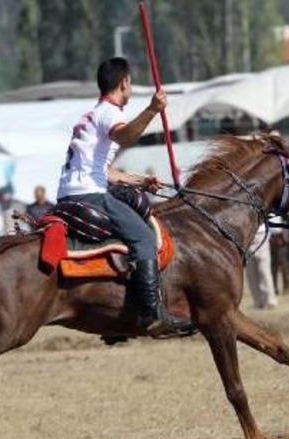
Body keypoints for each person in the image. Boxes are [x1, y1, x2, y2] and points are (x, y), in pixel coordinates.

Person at [55, 57, 190, 338]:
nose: (131, 89)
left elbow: (106, 171)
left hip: (74, 192)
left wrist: (140, 181)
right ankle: (152, 315)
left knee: (135, 205)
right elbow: (126, 137)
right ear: (124, 82)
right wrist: (152, 109)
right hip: (88, 195)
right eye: (130, 84)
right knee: (143, 237)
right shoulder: (110, 113)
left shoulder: (93, 115)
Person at [245, 223, 278, 309]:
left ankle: (270, 301)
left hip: (261, 234)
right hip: (247, 234)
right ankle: (258, 301)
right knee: (251, 273)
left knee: (264, 271)